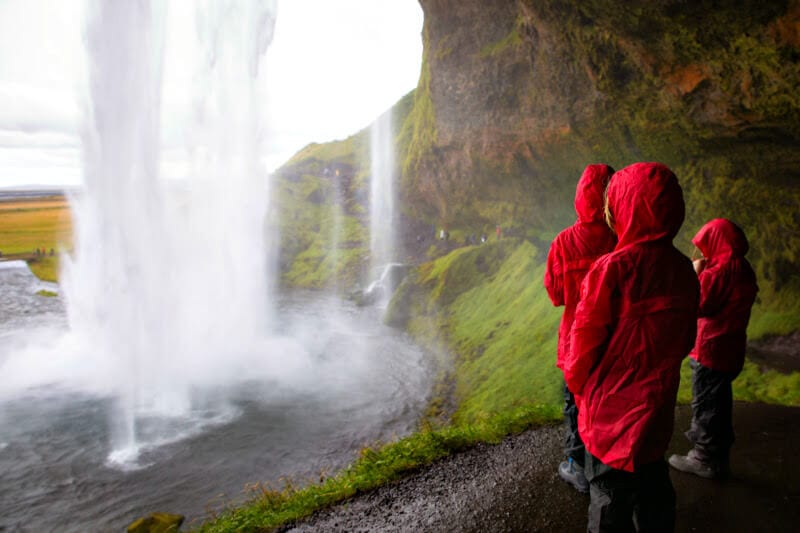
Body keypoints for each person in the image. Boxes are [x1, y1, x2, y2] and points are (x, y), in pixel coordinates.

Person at [563, 162, 699, 532]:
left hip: (610, 411)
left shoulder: (611, 269)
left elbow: (583, 344)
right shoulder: (684, 268)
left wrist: (579, 389)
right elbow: (687, 337)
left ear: (623, 207)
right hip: (656, 406)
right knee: (653, 485)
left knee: (609, 494)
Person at [544, 163, 617, 493]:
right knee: (607, 400)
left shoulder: (563, 242)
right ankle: (607, 460)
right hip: (615, 339)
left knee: (574, 401)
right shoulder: (622, 238)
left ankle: (576, 464)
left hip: (576, 339)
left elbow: (557, 296)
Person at [669, 219, 758, 479]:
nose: (703, 251)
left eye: (707, 245)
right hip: (729, 347)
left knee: (707, 402)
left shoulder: (719, 272)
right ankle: (717, 456)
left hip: (711, 348)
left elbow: (698, 304)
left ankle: (705, 458)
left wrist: (697, 274)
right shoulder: (742, 267)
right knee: (719, 402)